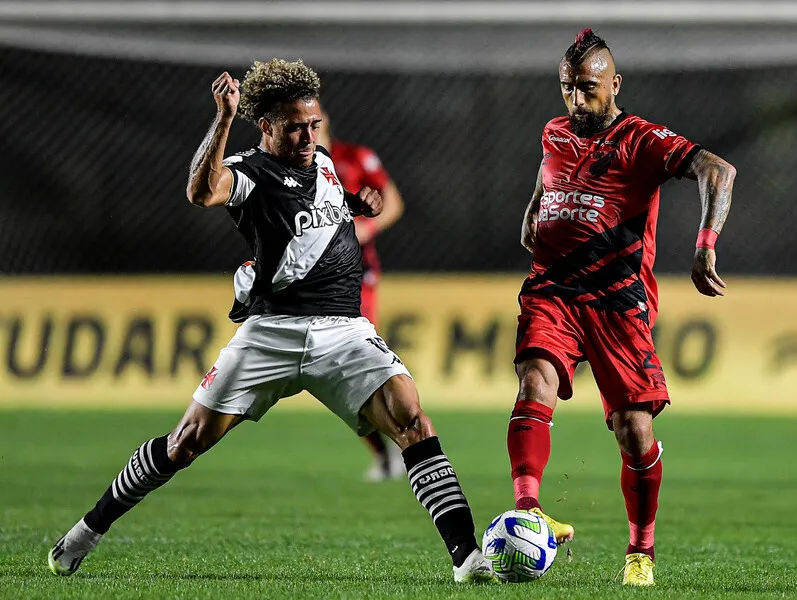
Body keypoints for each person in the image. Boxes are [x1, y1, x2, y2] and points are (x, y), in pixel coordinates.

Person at [47, 58, 497, 584]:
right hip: (271, 334)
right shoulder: (250, 172)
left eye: (314, 125)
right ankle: (87, 530)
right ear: (265, 125)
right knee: (185, 442)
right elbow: (201, 192)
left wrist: (359, 203)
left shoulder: (323, 161)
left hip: (342, 330)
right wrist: (223, 118)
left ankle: (467, 557)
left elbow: (319, 213)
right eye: (296, 127)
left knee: (412, 418)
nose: (309, 136)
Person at [509, 29, 736, 586]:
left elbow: (719, 171)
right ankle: (528, 512)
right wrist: (535, 209)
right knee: (535, 379)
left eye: (587, 88)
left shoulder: (642, 139)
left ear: (615, 83)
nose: (576, 100)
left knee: (634, 430)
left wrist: (705, 244)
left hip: (617, 302)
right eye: (567, 88)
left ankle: (641, 551)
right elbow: (547, 176)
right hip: (553, 290)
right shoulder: (555, 131)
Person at [318, 108, 407, 483]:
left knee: (360, 357)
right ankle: (388, 453)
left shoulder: (355, 157)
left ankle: (407, 443)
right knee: (337, 373)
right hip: (314, 280)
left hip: (357, 274)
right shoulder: (289, 168)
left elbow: (393, 202)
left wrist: (367, 227)